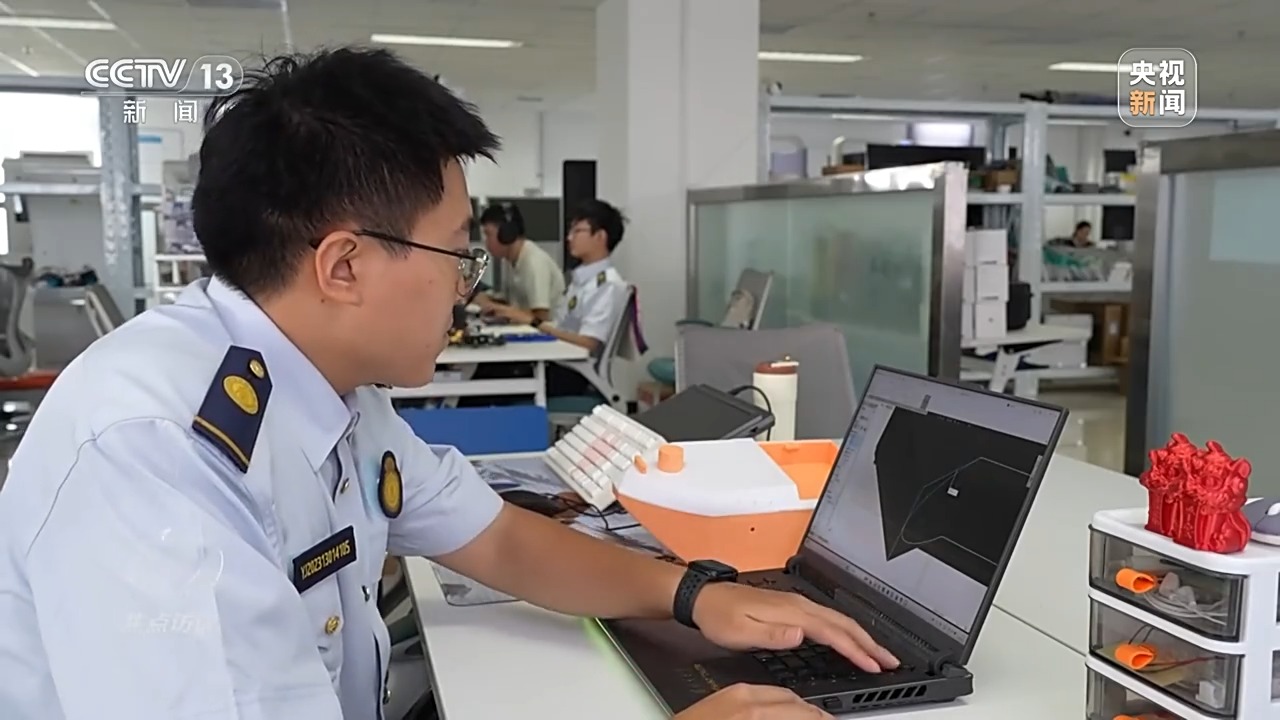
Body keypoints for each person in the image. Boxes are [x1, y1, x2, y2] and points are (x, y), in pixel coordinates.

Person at [0, 48, 895, 720]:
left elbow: (497, 539)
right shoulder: (157, 455)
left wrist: (697, 595)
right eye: (457, 253)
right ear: (343, 266)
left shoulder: (332, 391)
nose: (467, 284)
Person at [495, 199, 633, 396]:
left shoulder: (607, 285)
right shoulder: (583, 280)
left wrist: (535, 322)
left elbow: (588, 342)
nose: (569, 237)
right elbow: (561, 325)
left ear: (600, 237)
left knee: (489, 384)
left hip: (572, 374)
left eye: (577, 231)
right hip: (557, 363)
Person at [473, 203, 565, 322]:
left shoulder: (534, 262)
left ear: (506, 234)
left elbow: (541, 316)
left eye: (488, 234)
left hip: (549, 331)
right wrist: (486, 299)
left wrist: (499, 308)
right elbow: (512, 302)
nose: (486, 242)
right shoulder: (511, 260)